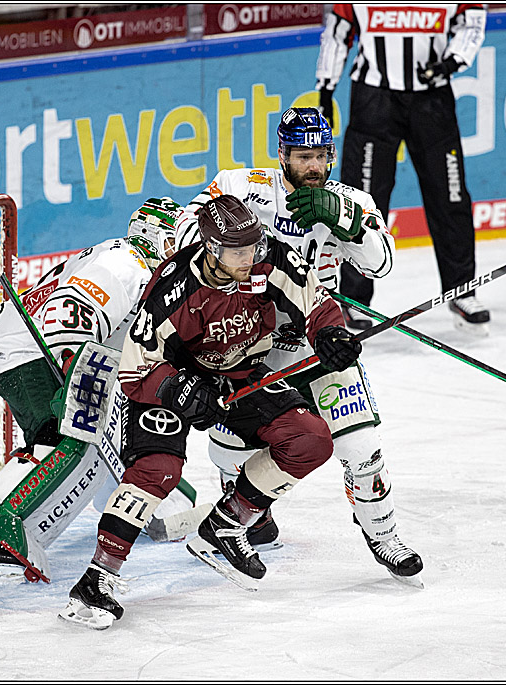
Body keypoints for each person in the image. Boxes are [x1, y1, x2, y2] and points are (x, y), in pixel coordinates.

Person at [59, 194, 363, 629]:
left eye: (252, 247)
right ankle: (95, 581)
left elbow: (315, 302)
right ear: (211, 248)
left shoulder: (269, 259)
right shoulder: (174, 287)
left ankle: (226, 522)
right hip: (169, 379)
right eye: (237, 251)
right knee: (157, 470)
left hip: (239, 373)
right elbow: (134, 368)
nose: (249, 258)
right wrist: (176, 388)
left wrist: (331, 334)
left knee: (309, 440)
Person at [173, 107, 422, 590]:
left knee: (361, 445)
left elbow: (382, 264)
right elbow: (187, 230)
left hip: (321, 339)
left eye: (322, 156)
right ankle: (244, 514)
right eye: (303, 156)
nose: (314, 166)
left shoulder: (349, 199)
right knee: (231, 446)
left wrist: (348, 225)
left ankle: (383, 534)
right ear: (281, 155)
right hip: (251, 343)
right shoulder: (242, 186)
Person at [0, 198, 199, 582]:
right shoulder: (128, 260)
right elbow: (71, 308)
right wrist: (73, 366)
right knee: (63, 440)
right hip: (34, 354)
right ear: (158, 235)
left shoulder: (133, 263)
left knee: (73, 446)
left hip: (20, 352)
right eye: (177, 238)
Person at [315, 3, 490, 335]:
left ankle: (462, 291)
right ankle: (353, 299)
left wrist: (453, 60)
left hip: (432, 99)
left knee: (449, 195)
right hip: (373, 99)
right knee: (361, 201)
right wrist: (326, 86)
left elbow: (473, 21)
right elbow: (337, 33)